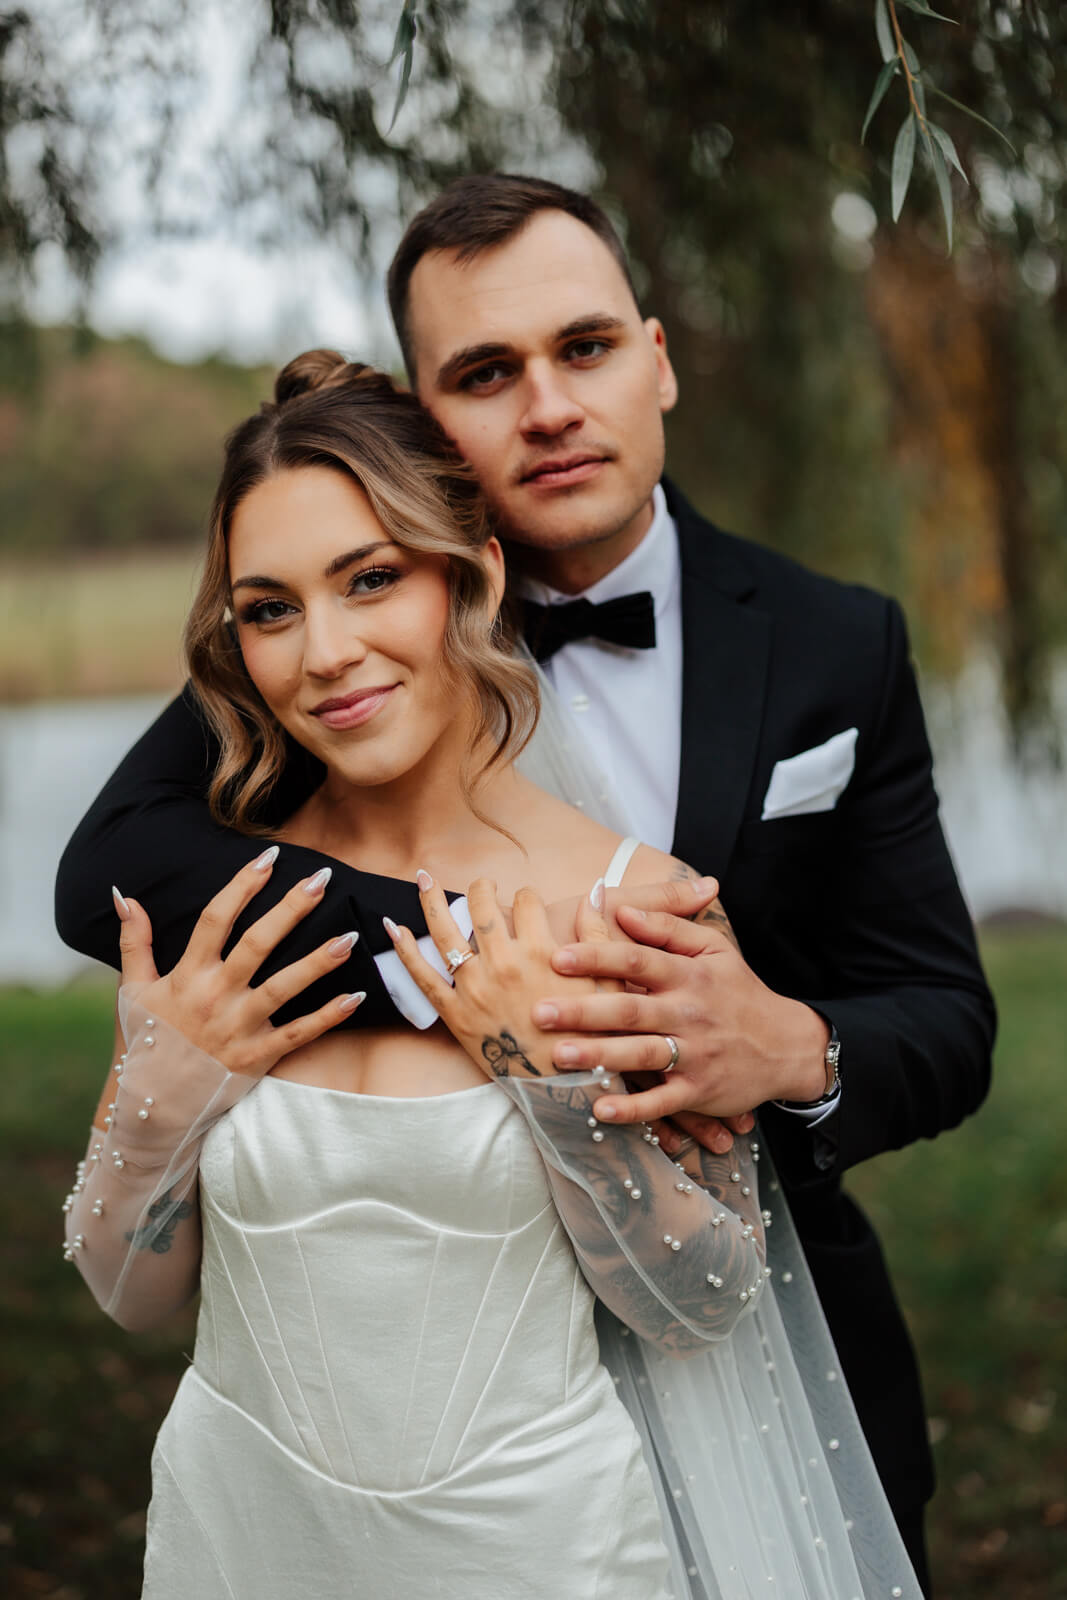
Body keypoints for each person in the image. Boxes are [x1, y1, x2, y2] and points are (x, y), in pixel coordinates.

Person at [54, 175, 996, 1591]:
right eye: (487, 373)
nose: (549, 407)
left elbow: (946, 1015)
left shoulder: (831, 645)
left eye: (587, 348)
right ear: (426, 422)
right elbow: (109, 863)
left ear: (656, 358)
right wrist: (461, 958)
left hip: (737, 1396)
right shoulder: (323, 648)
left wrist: (786, 1046)